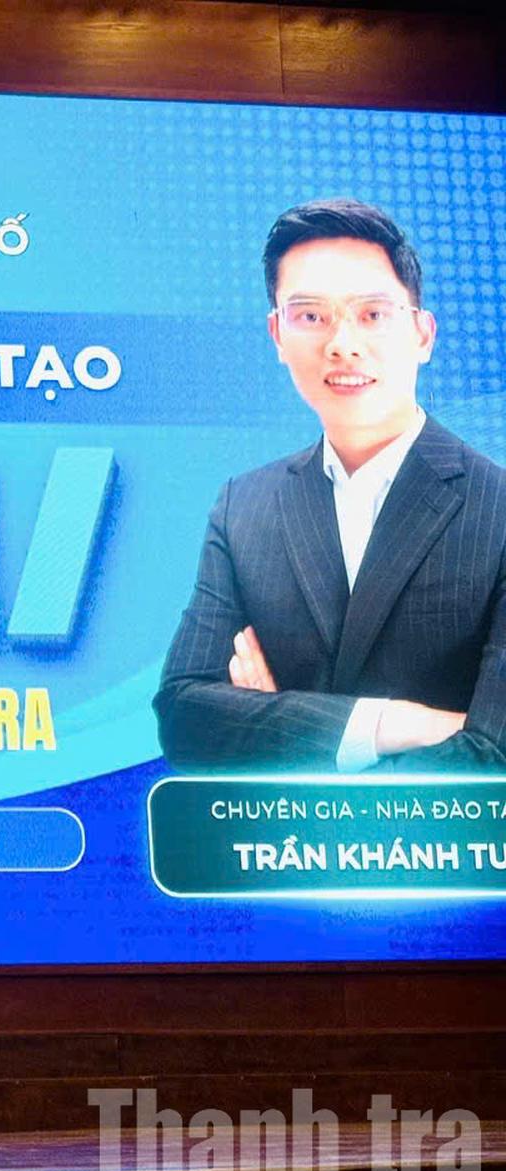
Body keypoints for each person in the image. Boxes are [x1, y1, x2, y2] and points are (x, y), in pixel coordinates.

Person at [154, 198, 506, 772]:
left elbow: (493, 756)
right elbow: (185, 715)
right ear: (277, 333)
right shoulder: (244, 508)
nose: (342, 344)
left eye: (373, 314)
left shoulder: (499, 510)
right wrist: (394, 724)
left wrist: (279, 732)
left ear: (422, 334)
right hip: (274, 836)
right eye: (311, 316)